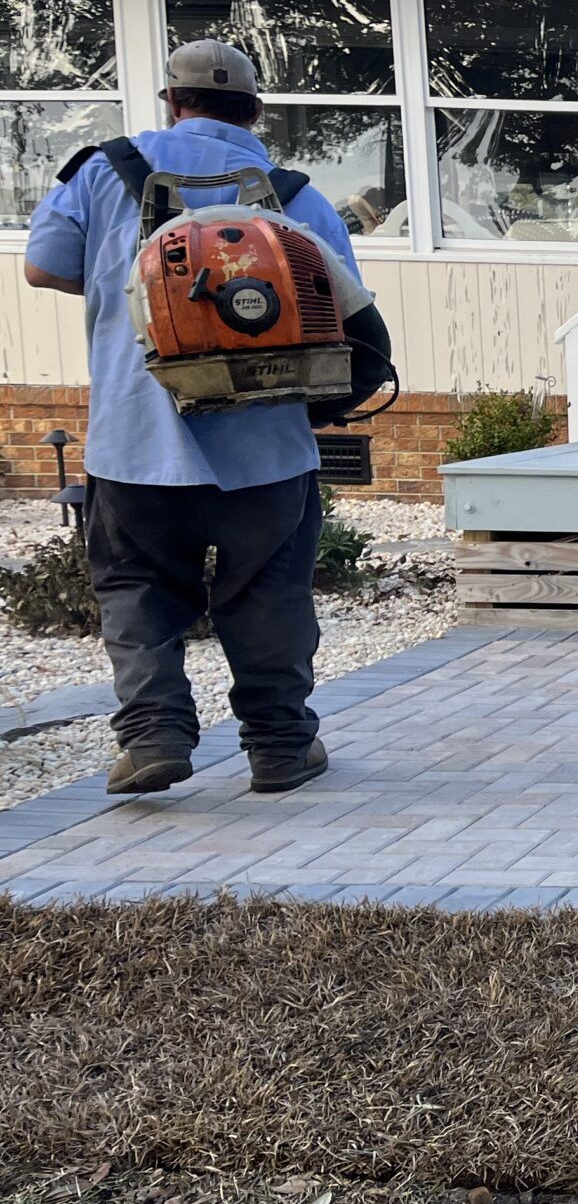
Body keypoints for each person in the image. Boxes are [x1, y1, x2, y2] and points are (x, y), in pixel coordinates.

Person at [22, 40, 360, 797]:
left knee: (135, 585)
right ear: (255, 111)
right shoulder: (295, 194)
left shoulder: (103, 170)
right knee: (269, 591)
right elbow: (343, 309)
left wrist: (139, 291)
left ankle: (153, 738)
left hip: (134, 442)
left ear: (173, 102)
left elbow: (43, 266)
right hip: (266, 444)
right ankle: (279, 747)